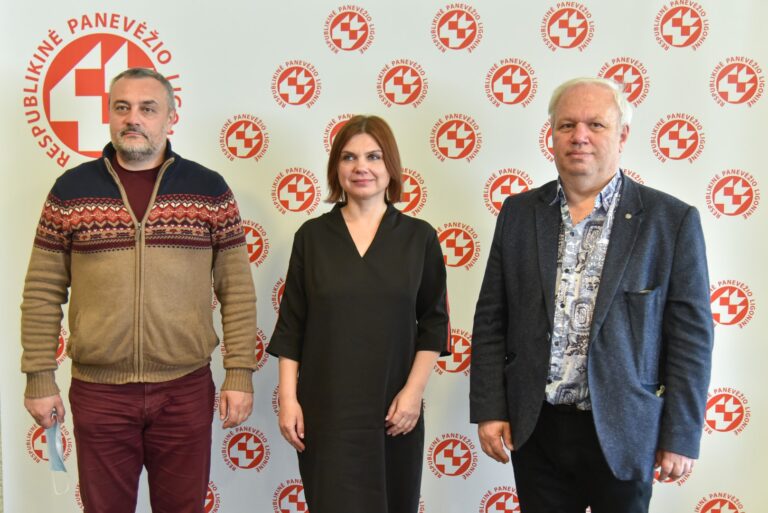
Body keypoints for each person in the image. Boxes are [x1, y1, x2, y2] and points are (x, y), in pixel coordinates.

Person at [470, 77, 714, 513]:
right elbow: (492, 317)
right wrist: (489, 408)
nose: (579, 136)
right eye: (566, 125)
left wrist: (681, 433)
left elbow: (690, 339)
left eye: (595, 125)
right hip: (537, 428)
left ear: (622, 135)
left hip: (626, 430)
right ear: (551, 134)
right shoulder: (519, 213)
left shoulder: (670, 221)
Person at [20, 67, 258, 513]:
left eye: (148, 108)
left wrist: (239, 372)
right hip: (100, 392)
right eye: (122, 107)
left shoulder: (208, 190)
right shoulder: (71, 191)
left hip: (184, 389)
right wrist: (39, 377)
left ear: (170, 116)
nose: (133, 118)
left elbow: (237, 291)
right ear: (110, 114)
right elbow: (41, 291)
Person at [267, 115, 450, 513]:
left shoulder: (419, 237)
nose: (361, 167)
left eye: (373, 156)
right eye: (349, 157)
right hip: (326, 411)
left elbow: (434, 323)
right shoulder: (312, 237)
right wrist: (288, 399)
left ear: (391, 166)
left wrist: (413, 394)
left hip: (394, 410)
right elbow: (292, 326)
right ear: (336, 167)